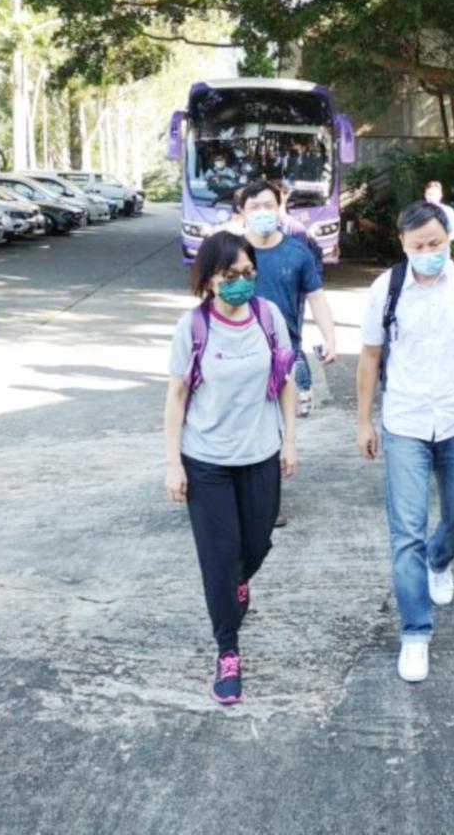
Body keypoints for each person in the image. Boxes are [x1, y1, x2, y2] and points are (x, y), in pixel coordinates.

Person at [355, 199, 454, 684]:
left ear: (449, 239)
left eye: (436, 244)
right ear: (403, 244)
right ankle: (415, 633)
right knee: (406, 533)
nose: (428, 253)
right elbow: (369, 357)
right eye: (418, 246)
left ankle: (439, 559)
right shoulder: (387, 289)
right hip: (405, 422)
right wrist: (364, 422)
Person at [163, 232, 297, 706]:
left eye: (248, 273)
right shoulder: (193, 327)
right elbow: (176, 397)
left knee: (256, 545)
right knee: (219, 560)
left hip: (260, 453)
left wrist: (290, 440)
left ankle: (239, 579)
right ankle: (227, 652)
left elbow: (284, 381)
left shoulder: (268, 316)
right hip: (206, 461)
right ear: (208, 279)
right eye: (230, 275)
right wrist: (173, 463)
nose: (241, 282)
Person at [240, 181, 336, 429]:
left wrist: (330, 338)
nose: (262, 212)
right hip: (239, 351)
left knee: (280, 427)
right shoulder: (231, 252)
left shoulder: (297, 252)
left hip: (284, 354)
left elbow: (316, 297)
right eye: (254, 207)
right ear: (242, 212)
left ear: (279, 207)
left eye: (268, 206)